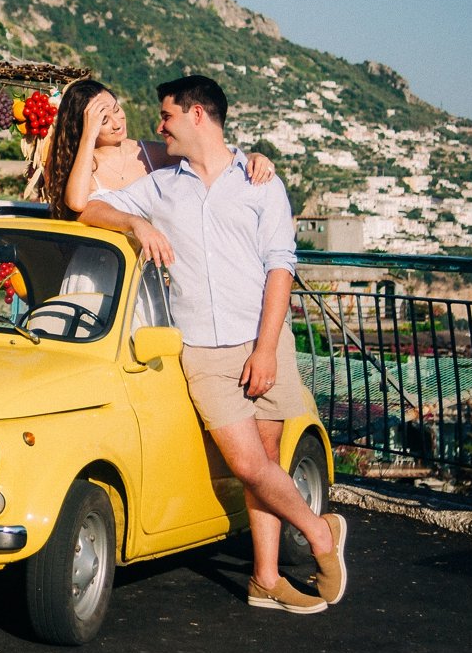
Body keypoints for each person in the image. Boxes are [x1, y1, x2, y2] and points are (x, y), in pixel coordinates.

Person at [78, 74, 347, 615]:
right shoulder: (162, 185)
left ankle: (265, 579)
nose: (160, 126)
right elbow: (85, 204)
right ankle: (321, 534)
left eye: (167, 115)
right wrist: (133, 220)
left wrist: (266, 349)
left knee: (268, 461)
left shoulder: (260, 181)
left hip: (263, 339)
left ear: (197, 114)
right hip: (202, 349)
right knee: (250, 465)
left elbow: (280, 267)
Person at [39, 77, 274, 220]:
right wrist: (88, 135)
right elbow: (77, 203)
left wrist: (251, 157)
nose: (117, 122)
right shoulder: (82, 165)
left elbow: (207, 158)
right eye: (103, 119)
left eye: (116, 108)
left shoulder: (149, 154)